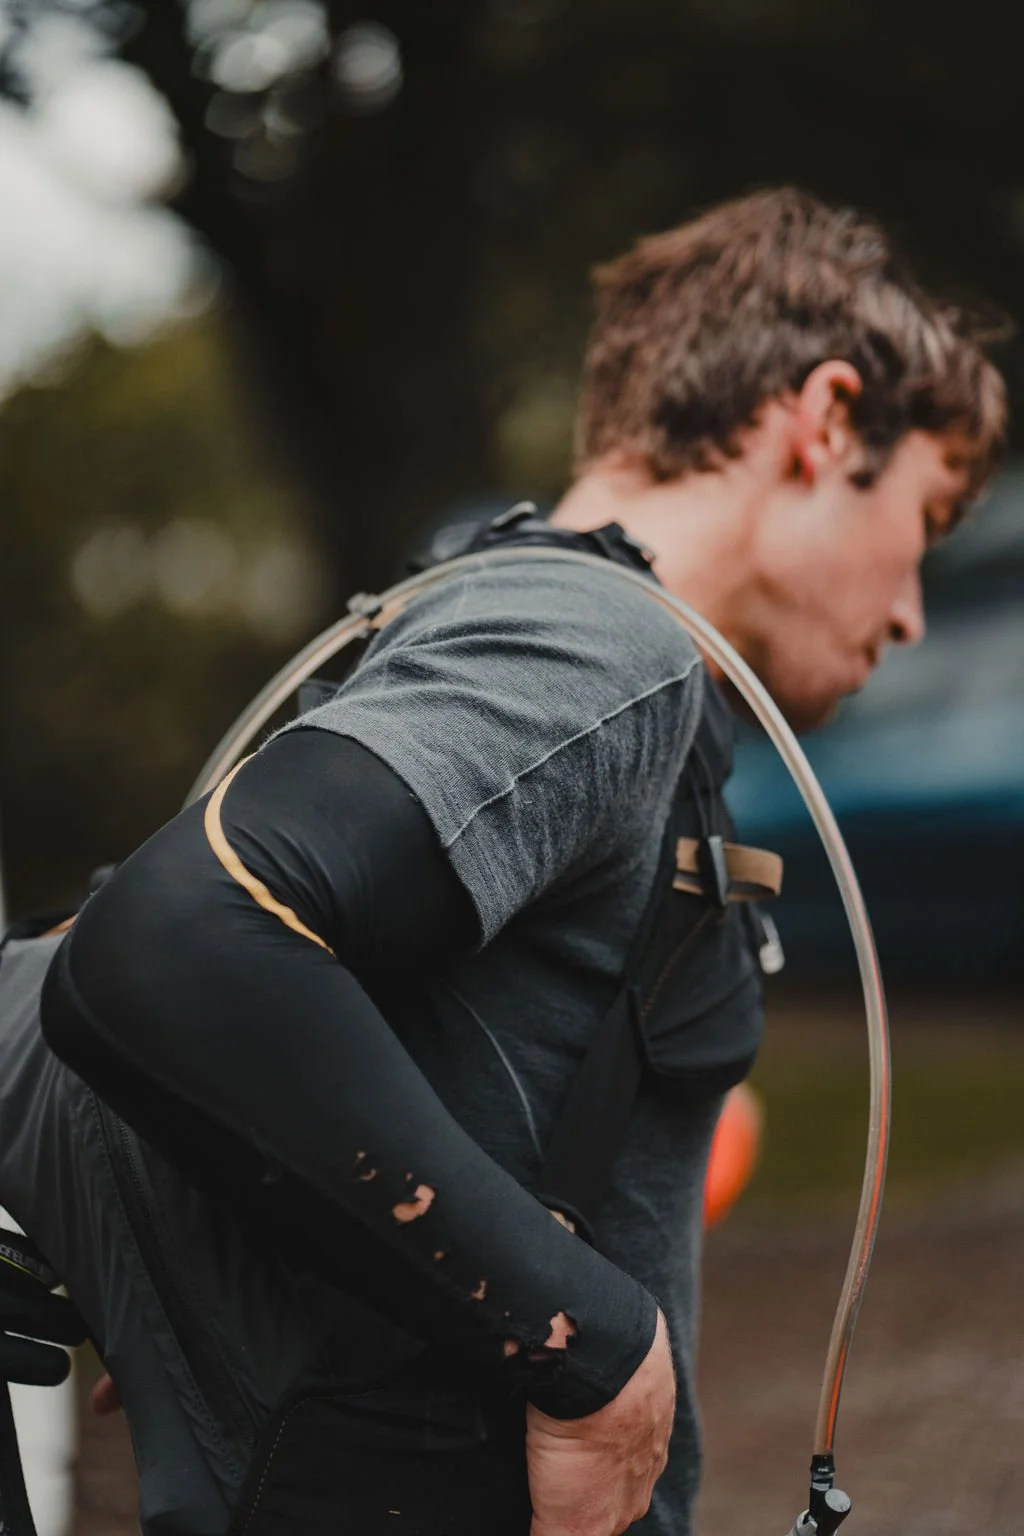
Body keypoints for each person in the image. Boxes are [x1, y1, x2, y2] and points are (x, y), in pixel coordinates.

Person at [0, 187, 1006, 1536]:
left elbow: (138, 989)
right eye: (928, 523)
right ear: (823, 424)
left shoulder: (507, 630)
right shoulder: (604, 646)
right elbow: (179, 941)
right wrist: (592, 1349)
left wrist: (198, 1218)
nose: (909, 612)